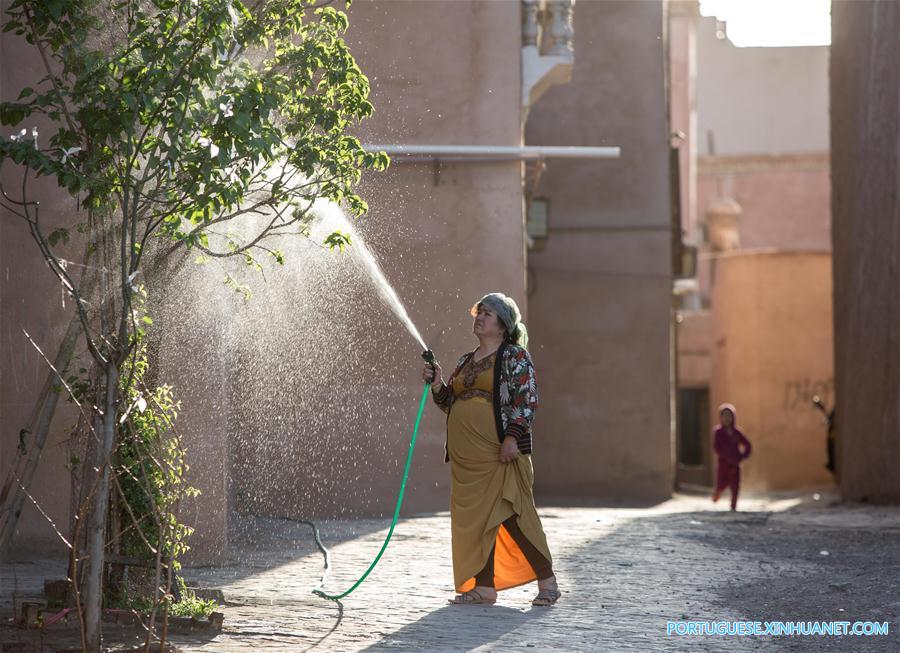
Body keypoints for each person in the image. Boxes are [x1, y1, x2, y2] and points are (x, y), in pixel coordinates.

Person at [423, 292, 560, 607]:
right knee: (473, 522)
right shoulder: (465, 360)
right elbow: (449, 403)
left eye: (487, 313)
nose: (480, 317)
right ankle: (483, 587)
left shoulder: (514, 356)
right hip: (466, 460)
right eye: (478, 312)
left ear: (503, 324)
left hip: (499, 451)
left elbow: (527, 399)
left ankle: (548, 583)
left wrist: (512, 437)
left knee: (513, 515)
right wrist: (437, 383)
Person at [711, 403, 751, 512]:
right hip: (723, 464)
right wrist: (724, 455)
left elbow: (747, 444)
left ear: (733, 417)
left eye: (729, 416)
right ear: (720, 417)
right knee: (721, 484)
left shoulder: (737, 432)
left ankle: (733, 506)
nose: (727, 418)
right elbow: (716, 447)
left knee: (735, 486)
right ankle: (717, 493)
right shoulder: (718, 432)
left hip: (735, 464)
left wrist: (743, 456)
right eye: (724, 416)